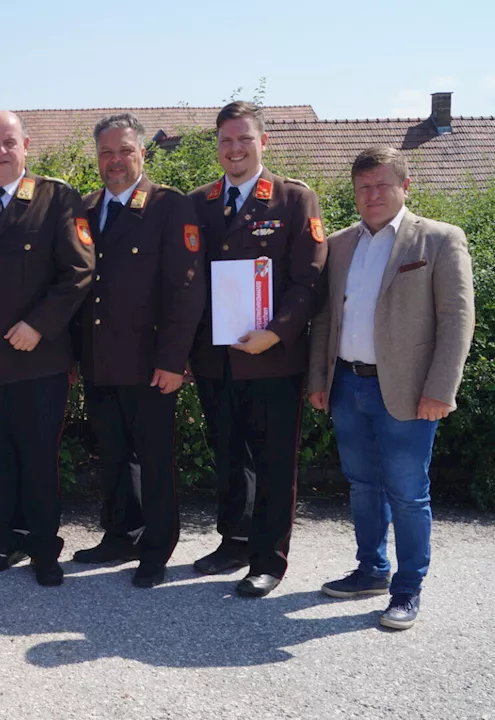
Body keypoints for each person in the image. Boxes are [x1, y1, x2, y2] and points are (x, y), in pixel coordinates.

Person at [308, 146, 474, 630]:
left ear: (406, 186)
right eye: (363, 187)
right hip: (347, 385)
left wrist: (441, 389)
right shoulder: (339, 245)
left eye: (382, 184)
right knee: (362, 486)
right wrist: (319, 379)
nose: (372, 194)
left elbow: (457, 320)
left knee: (407, 493)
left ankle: (407, 589)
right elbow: (325, 319)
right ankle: (371, 570)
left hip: (407, 390)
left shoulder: (440, 241)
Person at [0, 110, 95, 586]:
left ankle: (44, 547)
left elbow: (80, 271)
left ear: (26, 146)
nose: (1, 152)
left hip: (38, 358)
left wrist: (39, 324)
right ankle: (8, 538)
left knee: (37, 455)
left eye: (9, 143)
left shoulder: (56, 198)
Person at [188, 101, 328, 597]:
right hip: (214, 357)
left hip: (272, 358)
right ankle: (234, 541)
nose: (234, 149)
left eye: (244, 139)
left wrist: (276, 331)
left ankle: (268, 559)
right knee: (227, 455)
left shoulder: (293, 200)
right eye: (226, 140)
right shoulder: (199, 203)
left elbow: (309, 281)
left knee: (272, 462)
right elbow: (186, 282)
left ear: (262, 142)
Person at [71, 113, 206, 587]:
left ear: (142, 154)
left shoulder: (170, 206)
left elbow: (186, 289)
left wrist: (173, 361)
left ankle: (157, 547)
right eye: (107, 152)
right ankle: (120, 533)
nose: (115, 161)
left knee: (153, 457)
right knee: (112, 453)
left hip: (151, 363)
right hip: (100, 358)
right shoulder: (85, 209)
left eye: (125, 151)